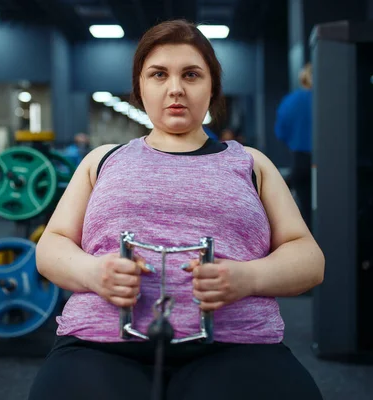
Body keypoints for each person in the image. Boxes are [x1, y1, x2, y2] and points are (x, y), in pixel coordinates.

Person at [29, 20, 325, 400]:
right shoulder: (103, 160)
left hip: (235, 344)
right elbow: (51, 245)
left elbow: (309, 259)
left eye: (191, 75)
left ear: (212, 87)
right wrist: (93, 273)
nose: (175, 89)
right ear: (140, 86)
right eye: (158, 74)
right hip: (101, 342)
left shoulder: (251, 163)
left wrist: (248, 278)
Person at [275, 63, 313, 231]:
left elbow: (280, 133)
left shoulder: (290, 101)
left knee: (306, 213)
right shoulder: (329, 100)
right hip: (330, 162)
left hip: (301, 161)